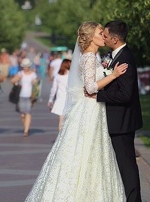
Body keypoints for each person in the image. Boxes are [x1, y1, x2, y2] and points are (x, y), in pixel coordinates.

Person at [24, 21, 128, 202]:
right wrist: (113, 75)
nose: (103, 35)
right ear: (90, 37)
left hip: (95, 108)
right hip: (90, 109)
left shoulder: (94, 57)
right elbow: (90, 87)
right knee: (86, 153)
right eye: (100, 32)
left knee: (96, 155)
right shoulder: (88, 57)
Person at [97, 20, 143, 202]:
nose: (103, 38)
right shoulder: (114, 55)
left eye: (106, 36)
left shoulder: (125, 60)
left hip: (122, 122)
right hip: (115, 120)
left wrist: (98, 96)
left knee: (126, 165)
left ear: (115, 39)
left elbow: (125, 95)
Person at [11, 58, 38, 137]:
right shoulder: (20, 73)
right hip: (21, 96)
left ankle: (26, 131)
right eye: (24, 66)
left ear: (29, 66)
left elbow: (36, 84)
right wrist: (17, 81)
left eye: (27, 66)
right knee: (22, 114)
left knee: (28, 112)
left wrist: (34, 83)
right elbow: (12, 81)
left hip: (29, 96)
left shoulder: (33, 74)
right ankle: (25, 126)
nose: (25, 68)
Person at [47, 59, 71, 131]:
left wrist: (50, 99)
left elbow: (53, 89)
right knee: (69, 120)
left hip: (60, 99)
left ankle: (61, 137)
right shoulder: (72, 75)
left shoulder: (58, 76)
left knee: (61, 120)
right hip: (70, 99)